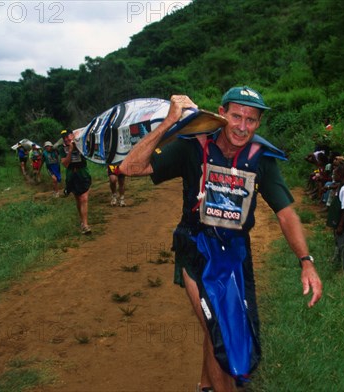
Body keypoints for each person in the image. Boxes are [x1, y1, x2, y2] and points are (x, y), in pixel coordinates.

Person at [119, 87, 322, 391]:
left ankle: (205, 385)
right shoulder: (193, 145)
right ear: (222, 113)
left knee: (221, 327)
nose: (242, 126)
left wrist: (306, 262)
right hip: (195, 246)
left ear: (258, 123)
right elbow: (129, 167)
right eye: (237, 116)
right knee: (219, 333)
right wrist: (169, 122)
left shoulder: (259, 157)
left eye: (251, 120)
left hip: (236, 251)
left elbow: (286, 213)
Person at [59, 129, 92, 235]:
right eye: (64, 137)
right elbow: (65, 164)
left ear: (72, 136)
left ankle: (85, 225)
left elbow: (89, 151)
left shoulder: (81, 143)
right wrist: (70, 150)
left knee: (84, 198)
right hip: (71, 176)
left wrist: (78, 145)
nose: (66, 139)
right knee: (78, 199)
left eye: (68, 136)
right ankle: (82, 221)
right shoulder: (61, 148)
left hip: (83, 173)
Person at [326, 163, 344, 270]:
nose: (333, 176)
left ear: (340, 174)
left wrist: (341, 224)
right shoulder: (340, 186)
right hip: (337, 221)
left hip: (342, 222)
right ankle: (339, 261)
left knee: (343, 243)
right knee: (338, 241)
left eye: (335, 174)